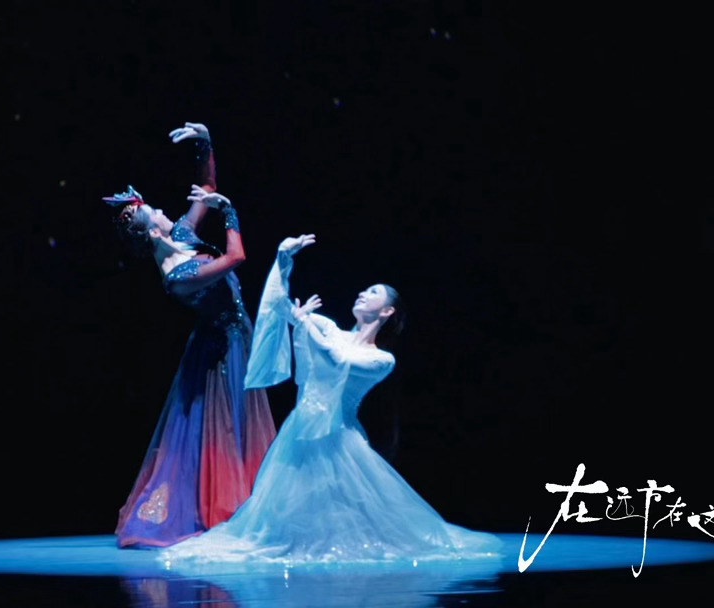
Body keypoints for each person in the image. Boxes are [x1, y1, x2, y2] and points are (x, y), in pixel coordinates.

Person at [162, 235, 501, 563]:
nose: (363, 293)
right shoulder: (330, 329)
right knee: (288, 510)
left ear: (387, 312)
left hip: (338, 437)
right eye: (365, 289)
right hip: (301, 429)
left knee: (339, 509)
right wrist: (284, 259)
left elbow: (337, 361)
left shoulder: (382, 360)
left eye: (373, 293)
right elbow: (280, 307)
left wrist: (305, 325)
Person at [106, 123, 276, 547]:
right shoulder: (177, 277)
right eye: (156, 213)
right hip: (222, 348)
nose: (166, 211)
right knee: (228, 426)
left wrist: (205, 143)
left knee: (241, 422)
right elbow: (235, 257)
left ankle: (250, 501)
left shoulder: (181, 234)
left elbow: (205, 189)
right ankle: (230, 507)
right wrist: (230, 212)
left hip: (235, 332)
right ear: (153, 232)